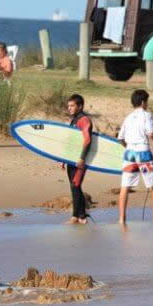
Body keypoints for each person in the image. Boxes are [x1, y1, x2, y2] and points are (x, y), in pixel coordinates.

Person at [117, 89, 153, 223]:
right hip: (143, 153)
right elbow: (151, 133)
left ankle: (122, 219)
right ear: (143, 102)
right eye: (147, 102)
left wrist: (128, 147)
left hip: (129, 154)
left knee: (125, 186)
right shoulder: (147, 115)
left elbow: (120, 138)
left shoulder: (128, 118)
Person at [62, 94, 92, 224]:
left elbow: (87, 140)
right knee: (74, 186)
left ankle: (78, 216)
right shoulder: (74, 120)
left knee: (76, 185)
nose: (69, 108)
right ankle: (81, 216)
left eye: (72, 105)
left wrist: (82, 158)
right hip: (71, 159)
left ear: (80, 106)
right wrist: (64, 159)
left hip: (80, 159)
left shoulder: (83, 119)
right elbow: (71, 141)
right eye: (68, 106)